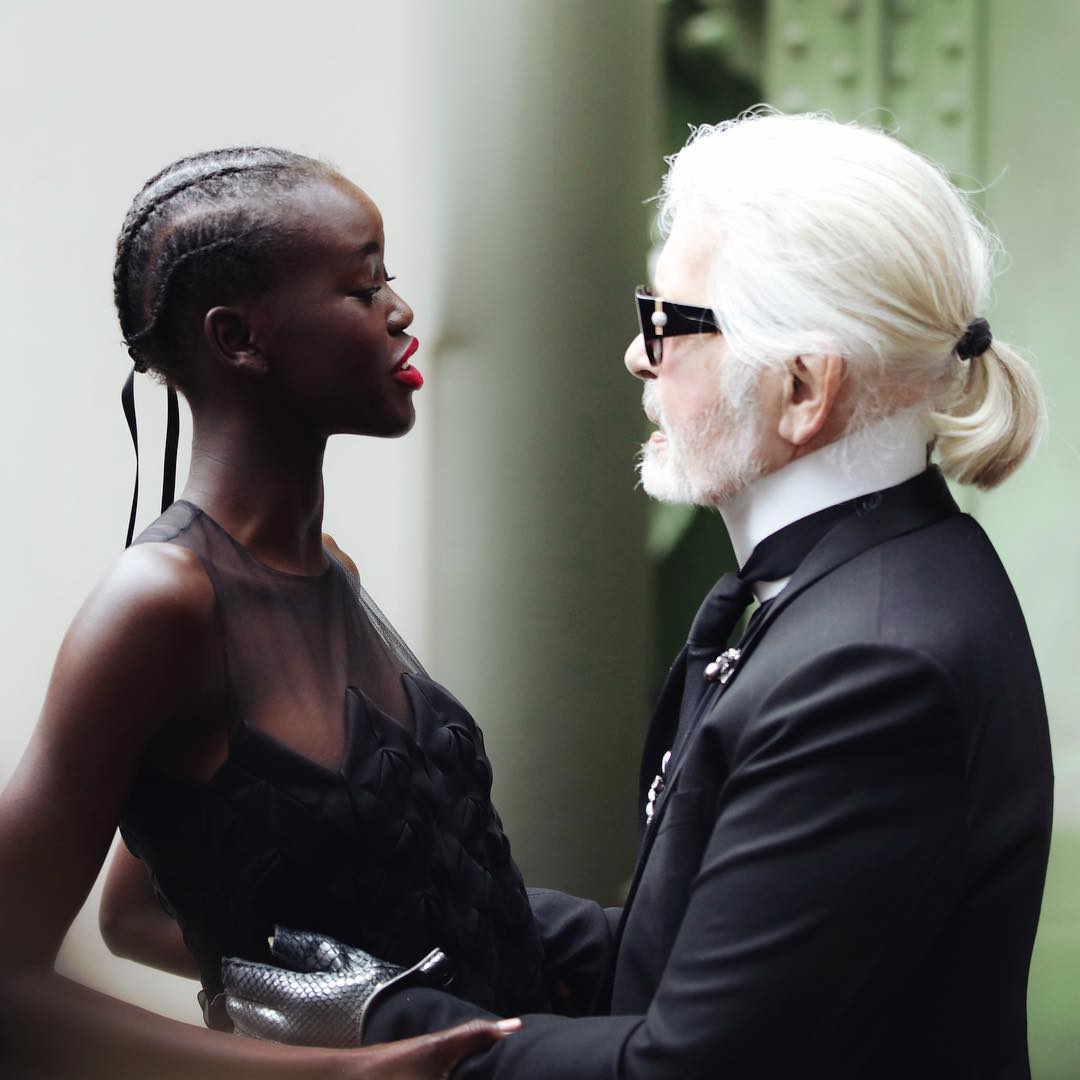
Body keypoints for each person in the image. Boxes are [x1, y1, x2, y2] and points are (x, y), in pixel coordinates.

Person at [260, 111, 1050, 1078]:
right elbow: (689, 952)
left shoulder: (872, 666)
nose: (639, 355)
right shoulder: (874, 577)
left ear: (803, 389)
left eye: (668, 322)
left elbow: (687, 1067)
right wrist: (404, 905)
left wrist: (377, 1020)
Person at [0, 146, 592, 1078]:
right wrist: (342, 1067)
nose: (401, 311)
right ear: (240, 338)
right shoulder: (159, 605)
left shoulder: (330, 571)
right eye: (363, 287)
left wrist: (390, 994)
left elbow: (143, 906)